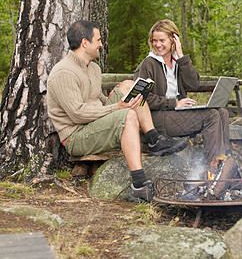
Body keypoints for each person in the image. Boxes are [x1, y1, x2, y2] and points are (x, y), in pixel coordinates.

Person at [47, 20, 187, 202]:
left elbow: (98, 101)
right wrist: (117, 107)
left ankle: (154, 140)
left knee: (131, 86)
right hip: (76, 135)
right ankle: (139, 184)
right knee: (127, 115)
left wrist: (118, 97)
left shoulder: (94, 68)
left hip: (94, 124)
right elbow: (77, 114)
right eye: (98, 40)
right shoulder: (64, 72)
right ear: (84, 43)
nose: (101, 44)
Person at [133, 19, 230, 169]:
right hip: (158, 117)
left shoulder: (177, 62)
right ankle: (213, 166)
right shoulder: (148, 64)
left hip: (176, 113)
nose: (158, 44)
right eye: (155, 40)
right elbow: (141, 98)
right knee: (211, 116)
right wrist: (174, 103)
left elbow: (193, 84)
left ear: (174, 39)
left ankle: (224, 160)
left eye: (162, 40)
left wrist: (181, 56)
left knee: (222, 112)